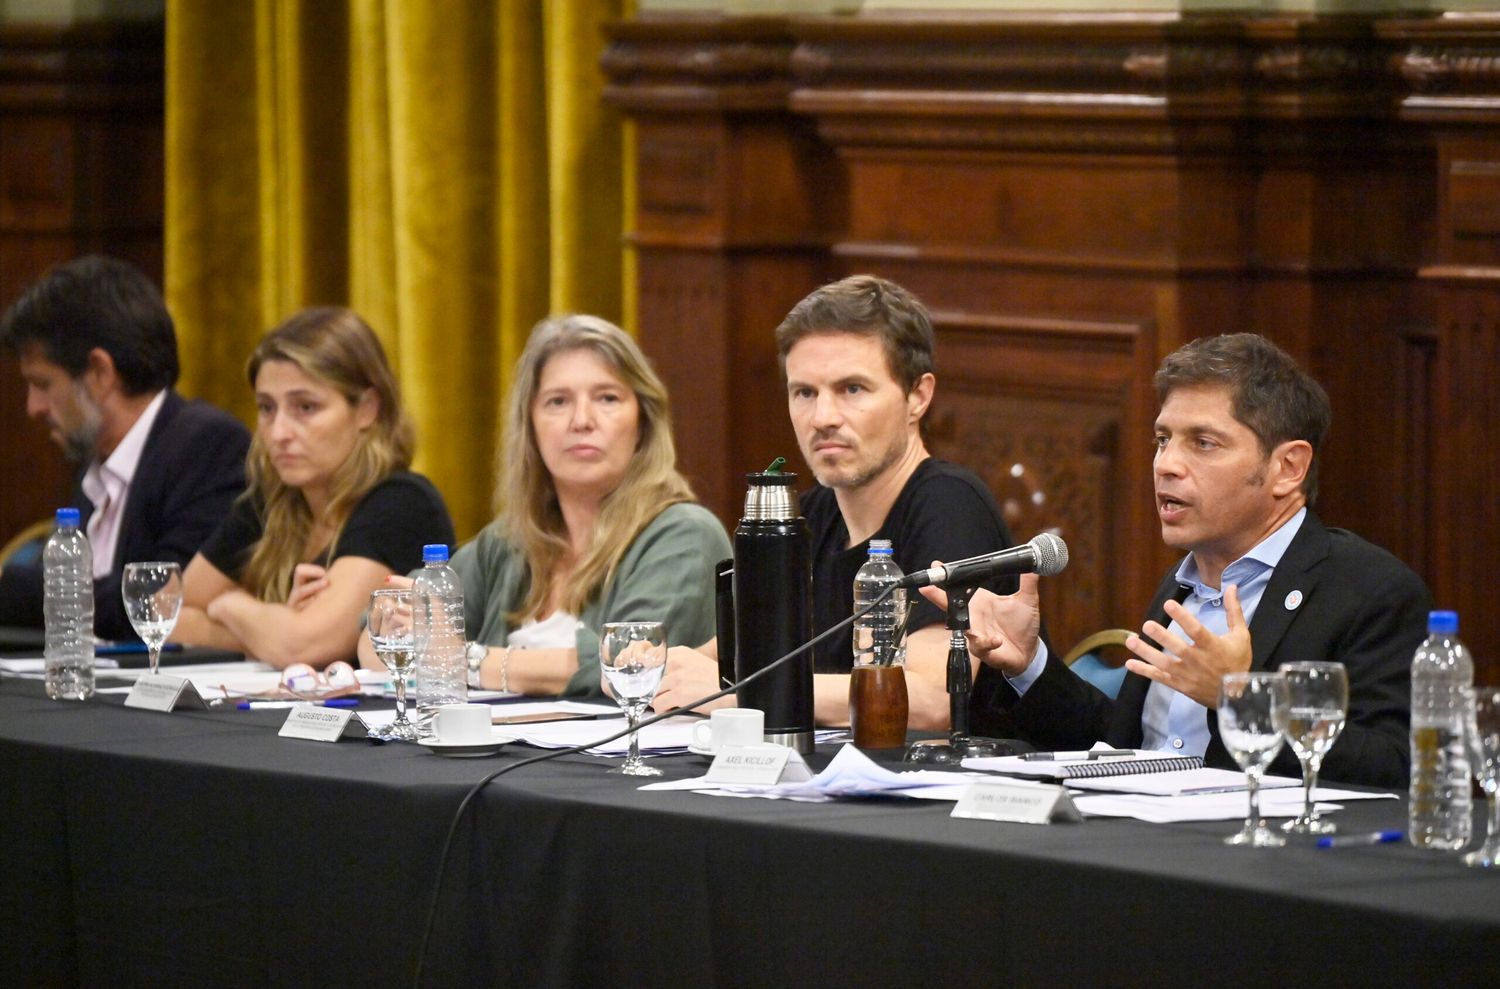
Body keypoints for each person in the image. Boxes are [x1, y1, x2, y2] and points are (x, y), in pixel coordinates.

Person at [940, 333, 1430, 788]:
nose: (1167, 464)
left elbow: (1393, 767)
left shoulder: (1370, 591)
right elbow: (1124, 746)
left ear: (1288, 468)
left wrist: (1239, 699)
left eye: (1203, 443)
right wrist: (1030, 666)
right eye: (1162, 439)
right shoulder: (1183, 582)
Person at [651, 275, 1019, 729]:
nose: (823, 418)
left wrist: (741, 690)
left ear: (917, 397)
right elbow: (723, 659)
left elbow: (930, 700)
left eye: (852, 389)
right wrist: (652, 670)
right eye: (804, 392)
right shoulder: (808, 515)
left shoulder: (949, 504)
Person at [359, 313, 728, 697]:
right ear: (530, 427)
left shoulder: (685, 534)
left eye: (607, 398)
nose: (582, 420)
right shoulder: (507, 542)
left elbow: (630, 662)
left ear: (643, 421)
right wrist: (393, 625)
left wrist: (462, 660)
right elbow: (374, 639)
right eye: (558, 401)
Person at [173, 307, 454, 668]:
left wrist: (231, 604)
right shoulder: (272, 502)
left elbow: (303, 646)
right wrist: (270, 628)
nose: (278, 433)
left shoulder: (401, 503)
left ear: (367, 409)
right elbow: (168, 616)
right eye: (267, 408)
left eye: (305, 407)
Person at [0, 255, 250, 641]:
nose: (33, 407)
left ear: (100, 373)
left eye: (44, 384)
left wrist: (11, 587)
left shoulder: (208, 448)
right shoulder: (93, 464)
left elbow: (159, 599)